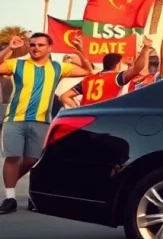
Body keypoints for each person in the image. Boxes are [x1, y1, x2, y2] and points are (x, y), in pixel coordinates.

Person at [0, 33, 93, 214]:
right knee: (13, 157)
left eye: (40, 45)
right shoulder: (17, 64)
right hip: (15, 119)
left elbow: (87, 71)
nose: (36, 48)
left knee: (32, 159)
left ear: (49, 48)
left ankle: (11, 183)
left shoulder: (58, 67)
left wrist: (80, 51)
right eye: (32, 44)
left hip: (42, 120)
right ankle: (10, 198)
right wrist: (10, 48)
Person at [59, 39, 153, 108]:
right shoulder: (116, 78)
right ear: (118, 65)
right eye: (124, 63)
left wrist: (78, 109)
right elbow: (138, 68)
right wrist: (146, 48)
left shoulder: (88, 79)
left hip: (87, 120)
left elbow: (64, 96)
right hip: (105, 119)